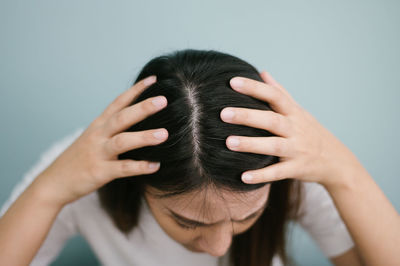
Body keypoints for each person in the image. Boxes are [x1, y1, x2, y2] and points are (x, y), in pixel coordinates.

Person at [0, 49, 399, 266]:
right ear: (135, 180)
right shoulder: (86, 171)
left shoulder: (287, 163)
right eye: (187, 220)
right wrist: (48, 191)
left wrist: (345, 172)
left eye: (247, 216)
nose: (217, 246)